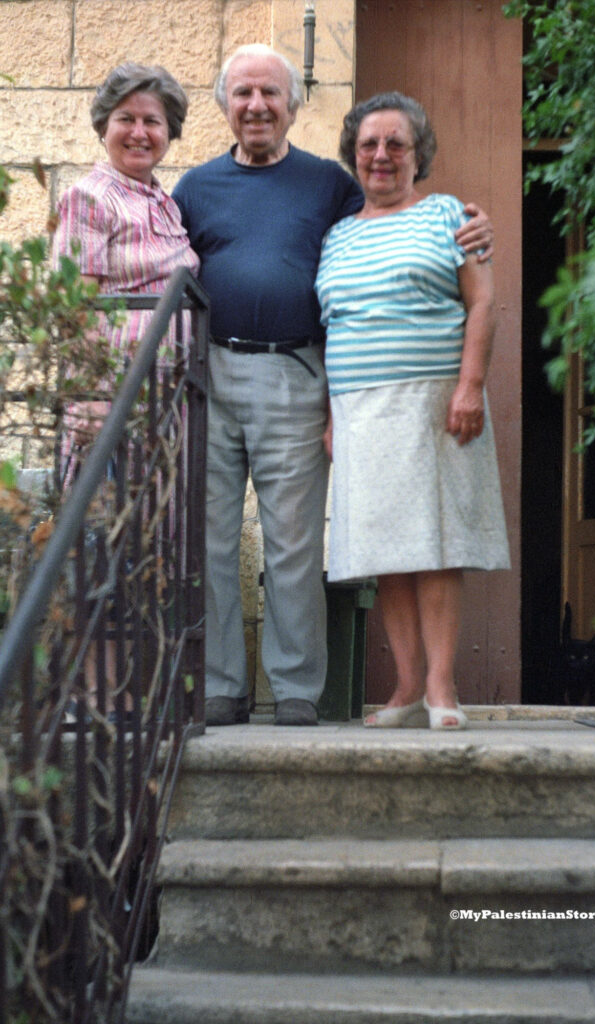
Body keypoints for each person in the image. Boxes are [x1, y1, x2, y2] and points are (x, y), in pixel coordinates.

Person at [172, 45, 494, 727]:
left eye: (270, 94)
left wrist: (477, 228)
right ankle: (222, 686)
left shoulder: (329, 184)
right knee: (211, 538)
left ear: (292, 105)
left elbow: (402, 216)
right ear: (225, 105)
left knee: (293, 543)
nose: (257, 106)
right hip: (215, 374)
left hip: (297, 374)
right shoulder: (194, 188)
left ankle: (296, 689)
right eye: (243, 94)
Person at [315, 92, 510, 730]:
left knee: (437, 545)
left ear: (417, 154)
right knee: (386, 551)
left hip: (435, 402)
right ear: (353, 155)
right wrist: (331, 415)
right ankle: (401, 688)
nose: (381, 156)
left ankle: (441, 688)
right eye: (369, 144)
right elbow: (332, 327)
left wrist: (470, 386)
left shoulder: (451, 216)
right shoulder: (337, 236)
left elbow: (482, 303)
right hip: (359, 409)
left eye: (396, 144)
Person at [52, 62, 200, 711]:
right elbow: (69, 307)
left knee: (148, 547)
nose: (140, 133)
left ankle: (132, 692)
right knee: (101, 544)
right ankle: (96, 696)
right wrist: (87, 399)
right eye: (127, 121)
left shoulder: (163, 199)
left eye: (153, 122)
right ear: (103, 127)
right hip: (110, 406)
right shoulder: (91, 198)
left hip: (164, 409)